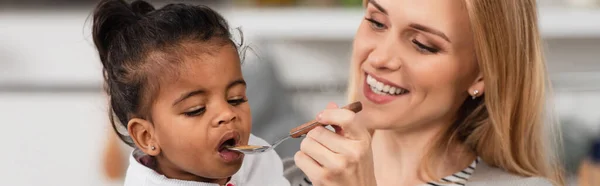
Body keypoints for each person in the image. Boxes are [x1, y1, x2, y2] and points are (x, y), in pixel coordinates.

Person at [286, 0, 565, 185]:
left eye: (423, 44)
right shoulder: (279, 176)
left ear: (483, 74)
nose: (381, 58)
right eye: (377, 22)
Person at [91, 0, 290, 185]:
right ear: (146, 136)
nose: (228, 114)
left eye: (235, 99)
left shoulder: (255, 158)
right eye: (196, 110)